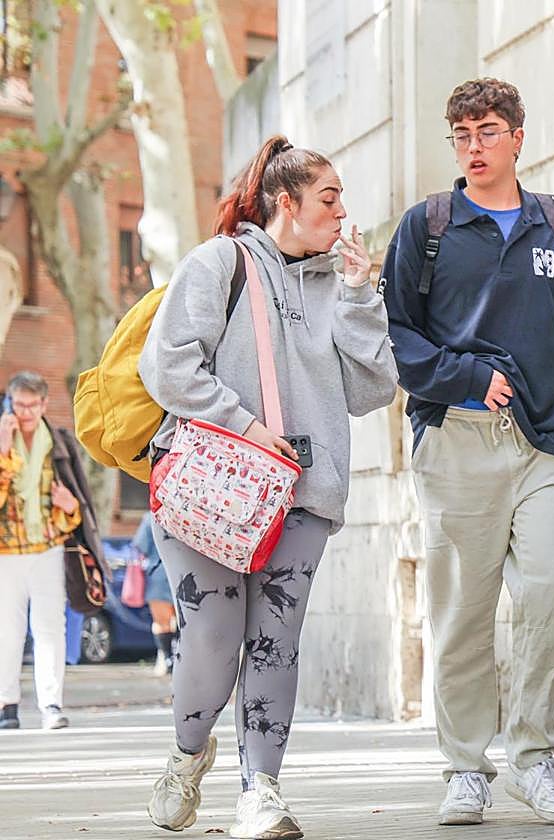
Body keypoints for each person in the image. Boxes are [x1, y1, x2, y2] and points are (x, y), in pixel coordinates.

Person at [381, 77, 554, 827]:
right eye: (460, 134)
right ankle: (464, 767)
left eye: (486, 130)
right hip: (455, 442)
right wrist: (465, 377)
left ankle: (534, 756)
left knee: (551, 585)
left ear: (518, 135)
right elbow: (395, 336)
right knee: (462, 611)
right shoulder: (426, 227)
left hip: (547, 437)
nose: (473, 146)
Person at [138, 135, 398, 839]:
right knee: (215, 640)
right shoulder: (219, 263)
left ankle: (261, 791)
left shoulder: (336, 284)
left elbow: (374, 389)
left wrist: (359, 293)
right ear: (287, 202)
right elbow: (167, 368)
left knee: (276, 642)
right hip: (209, 489)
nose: (343, 212)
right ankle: (188, 757)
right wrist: (247, 426)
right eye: (330, 197)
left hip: (301, 494)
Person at [0, 371, 101, 731]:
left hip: (49, 548)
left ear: (44, 404)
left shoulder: (59, 442)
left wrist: (69, 504)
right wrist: (4, 448)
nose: (24, 412)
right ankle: (6, 705)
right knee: (7, 631)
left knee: (49, 628)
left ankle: (51, 704)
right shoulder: (2, 438)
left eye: (31, 405)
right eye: (18, 404)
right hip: (6, 552)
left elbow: (80, 505)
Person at [130, 511, 175, 676]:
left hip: (158, 574)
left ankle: (166, 658)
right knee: (185, 621)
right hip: (183, 573)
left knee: (161, 622)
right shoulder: (186, 511)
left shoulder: (151, 517)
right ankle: (178, 658)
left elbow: (140, 547)